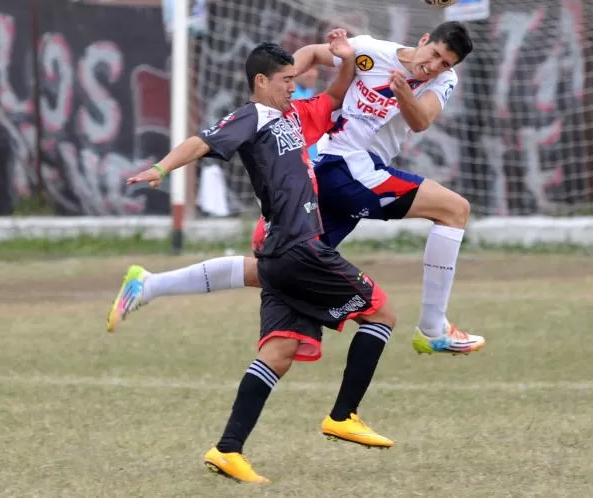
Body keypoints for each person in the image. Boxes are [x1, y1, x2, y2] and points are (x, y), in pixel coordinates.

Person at [108, 22, 484, 355]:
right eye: (434, 54)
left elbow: (420, 121)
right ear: (423, 40)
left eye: (445, 64)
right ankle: (434, 329)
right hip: (347, 167)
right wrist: (286, 87)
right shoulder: (373, 51)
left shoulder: (441, 81)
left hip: (341, 178)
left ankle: (150, 285)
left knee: (268, 270)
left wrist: (403, 91)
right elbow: (313, 54)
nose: (434, 66)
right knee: (454, 209)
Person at [124, 34, 396, 484]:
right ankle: (344, 416)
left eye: (297, 78)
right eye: (288, 80)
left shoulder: (295, 115)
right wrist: (160, 169)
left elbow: (332, 97)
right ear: (262, 80)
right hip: (298, 247)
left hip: (281, 254)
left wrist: (346, 60)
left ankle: (228, 449)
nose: (295, 86)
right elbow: (200, 141)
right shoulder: (252, 118)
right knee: (382, 313)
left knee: (280, 351)